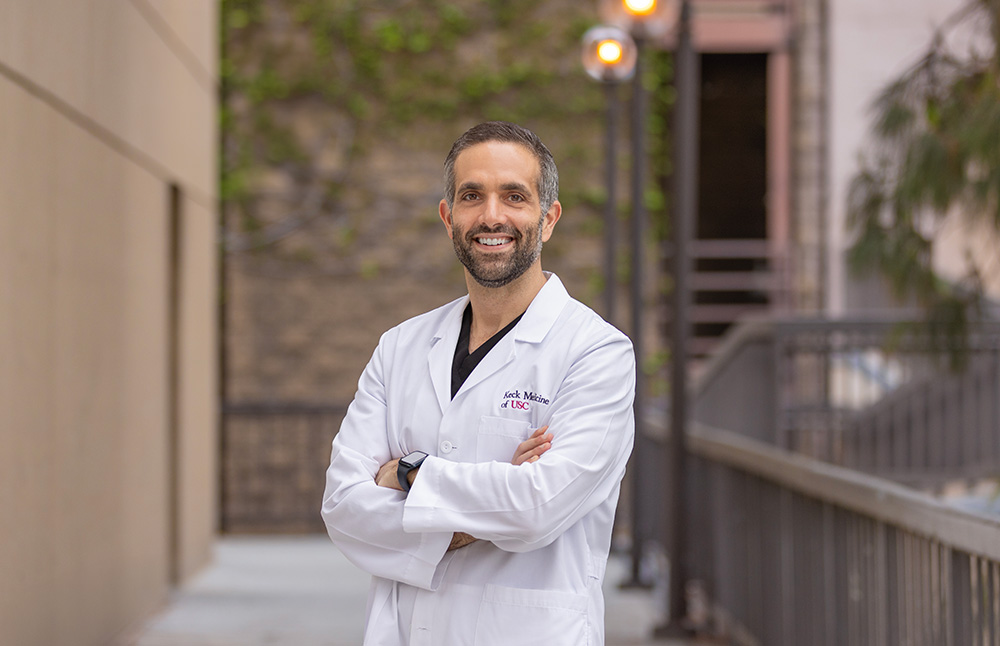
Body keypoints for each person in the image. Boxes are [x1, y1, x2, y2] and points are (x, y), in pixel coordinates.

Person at [321, 121, 635, 645]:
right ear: (449, 218)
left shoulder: (596, 353)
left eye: (514, 196)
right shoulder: (400, 346)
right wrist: (496, 499)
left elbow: (538, 508)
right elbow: (343, 507)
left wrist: (407, 474)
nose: (492, 216)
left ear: (548, 218)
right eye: (472, 196)